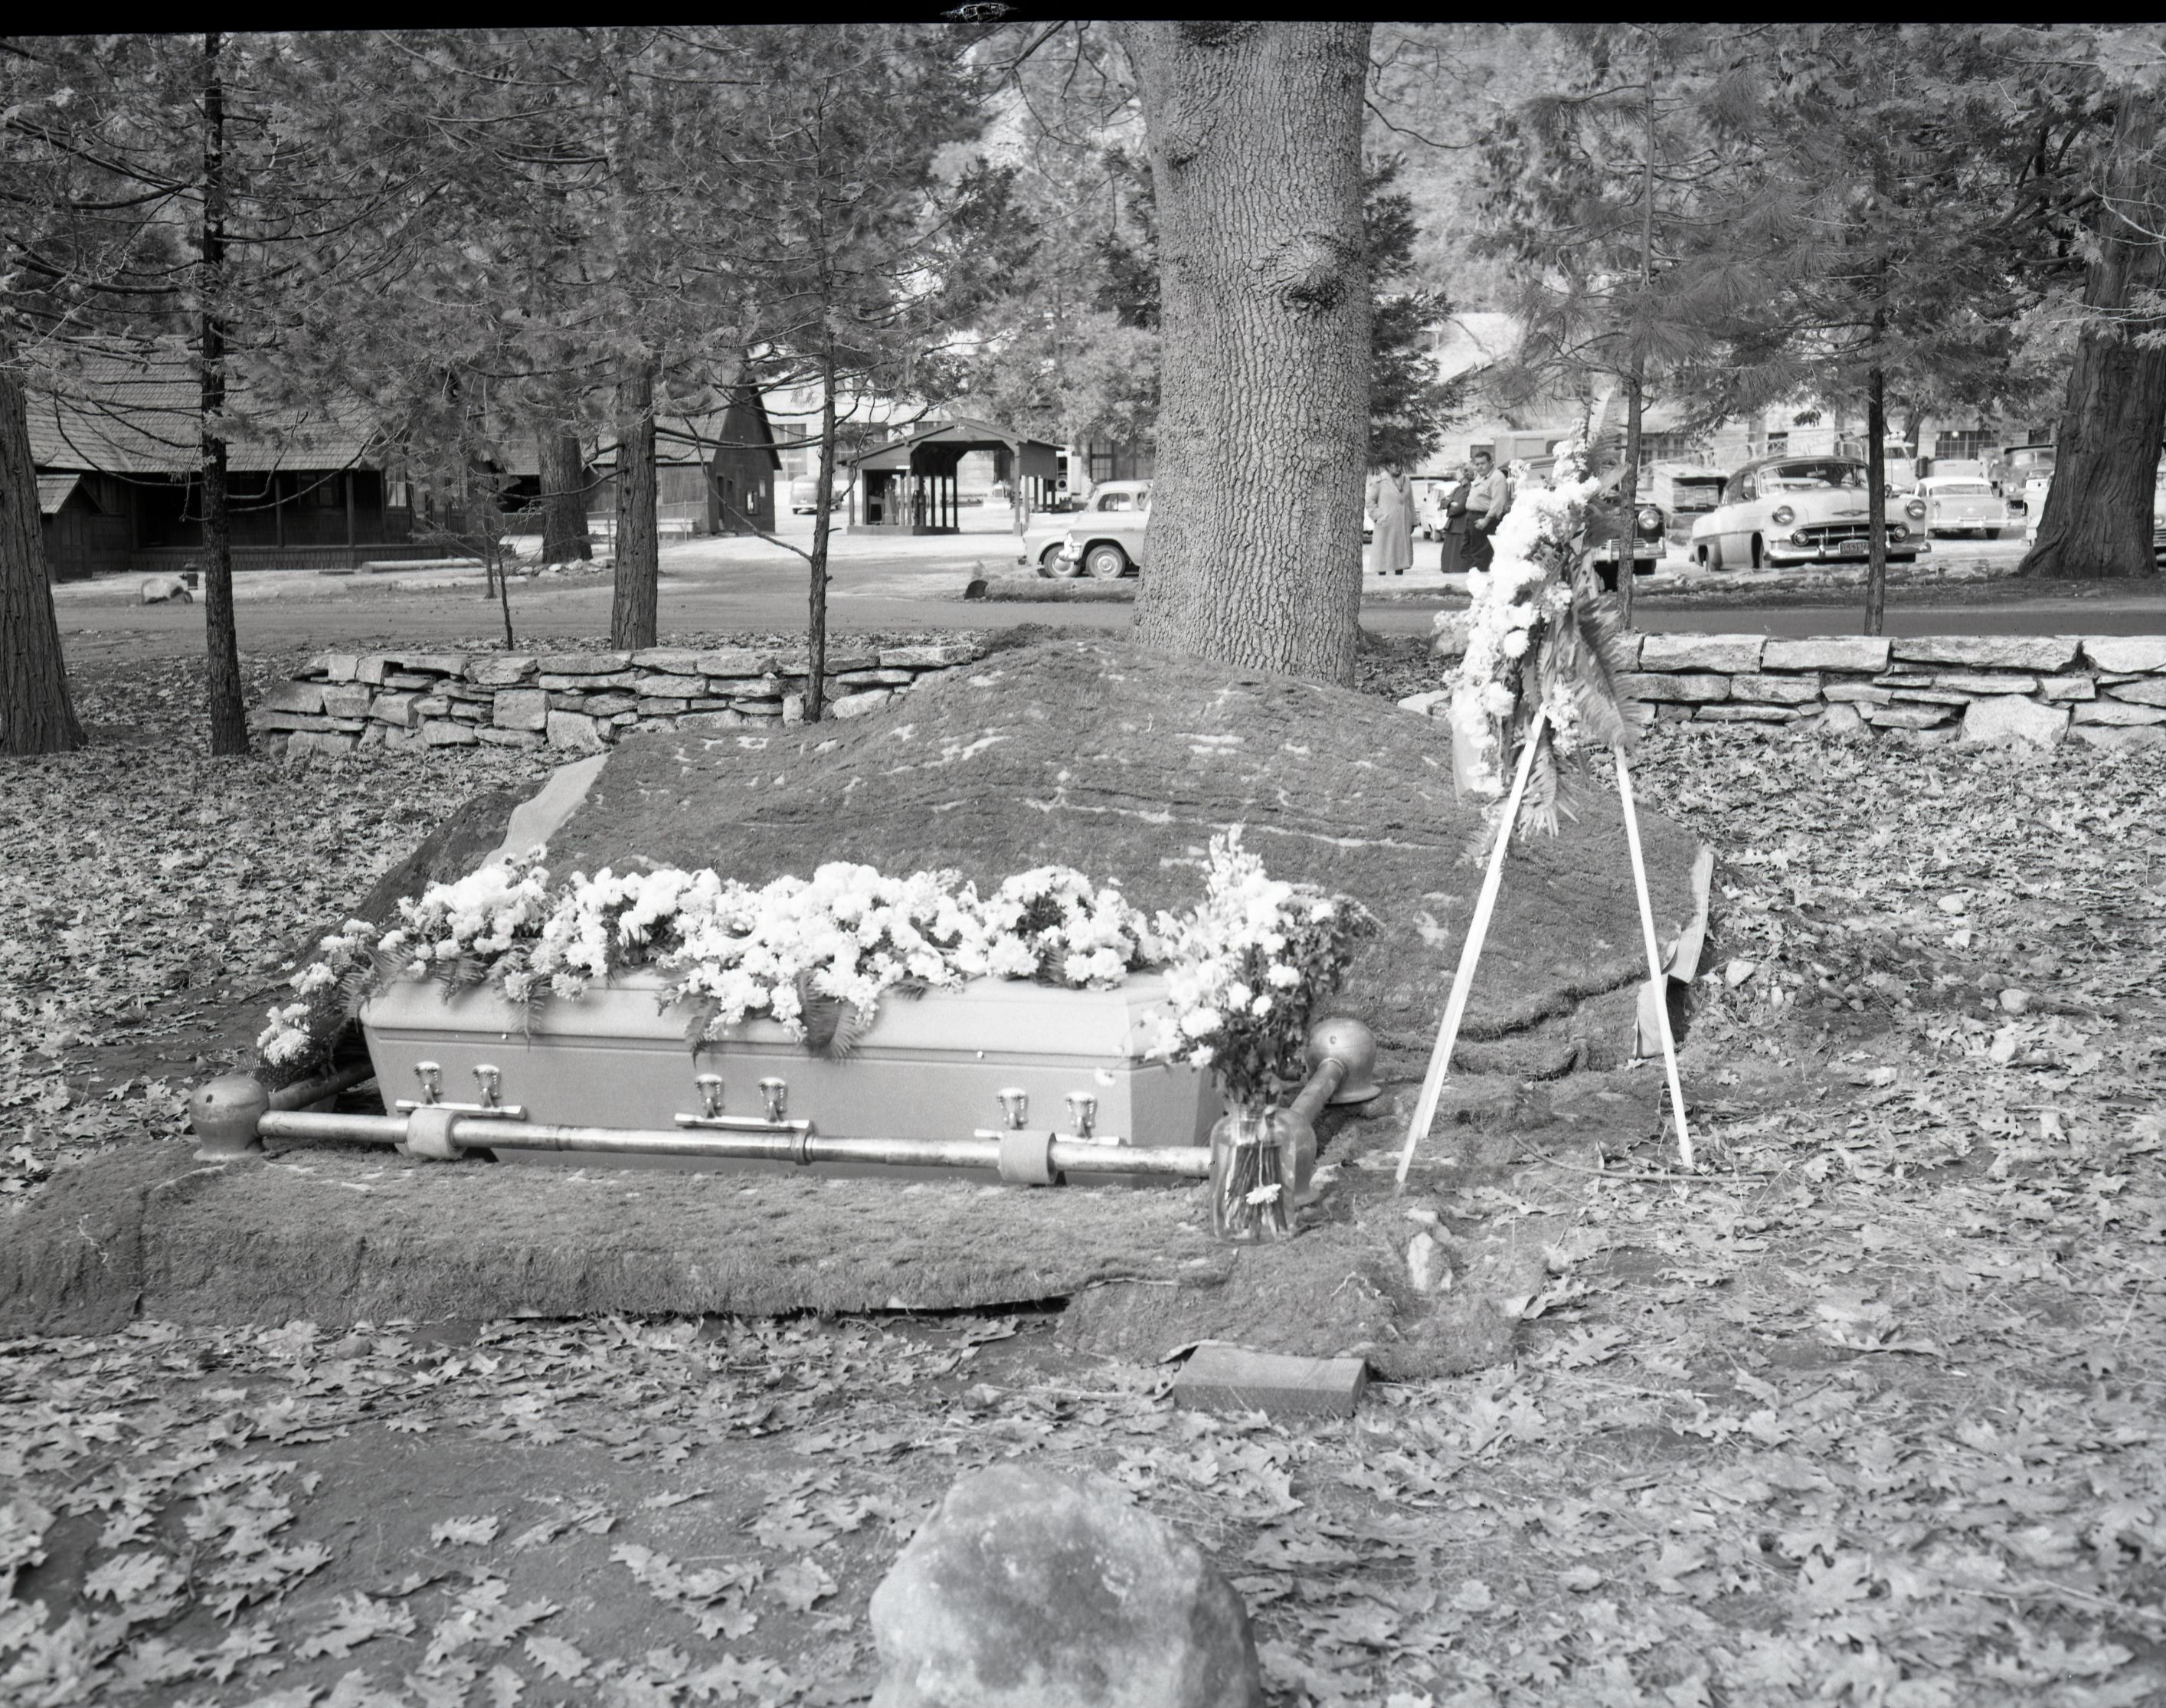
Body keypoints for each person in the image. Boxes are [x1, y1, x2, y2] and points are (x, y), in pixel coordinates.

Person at [1465, 450, 1513, 573]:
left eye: (1483, 463)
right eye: (1477, 464)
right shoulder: (1480, 476)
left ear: (1491, 463)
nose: (1480, 467)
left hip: (1485, 520)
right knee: (1470, 551)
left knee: (1481, 555)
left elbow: (1498, 502)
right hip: (1473, 517)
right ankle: (1475, 580)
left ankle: (1480, 583)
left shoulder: (1497, 478)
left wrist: (1487, 519)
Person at [1366, 461, 1415, 576]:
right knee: (1384, 556)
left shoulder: (1406, 481)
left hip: (1403, 524)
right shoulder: (1379, 481)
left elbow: (1411, 503)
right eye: (1395, 464)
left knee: (1400, 556)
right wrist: (1380, 517)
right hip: (1386, 525)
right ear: (1388, 466)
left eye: (1400, 465)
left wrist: (1413, 522)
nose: (1398, 467)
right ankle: (1382, 582)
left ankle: (1399, 581)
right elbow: (1369, 502)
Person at [1436, 463, 1474, 576]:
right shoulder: (1457, 489)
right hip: (1452, 526)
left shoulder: (1469, 489)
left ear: (1465, 473)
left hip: (1461, 527)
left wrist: (1451, 505)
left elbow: (1459, 509)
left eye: (1457, 472)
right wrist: (1451, 503)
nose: (1455, 475)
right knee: (1448, 557)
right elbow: (1443, 501)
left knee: (1459, 558)